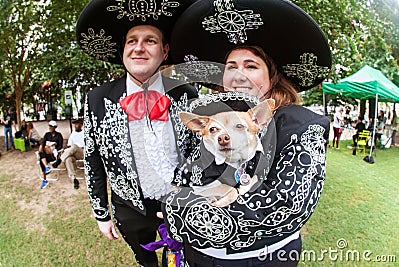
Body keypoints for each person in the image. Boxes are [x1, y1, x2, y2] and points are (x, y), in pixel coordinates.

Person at [163, 0, 332, 266]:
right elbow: (186, 174)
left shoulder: (301, 125)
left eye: (251, 66)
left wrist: (182, 215)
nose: (239, 75)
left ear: (272, 77)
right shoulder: (215, 118)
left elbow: (287, 208)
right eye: (231, 66)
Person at [76, 1, 198, 266]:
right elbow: (93, 160)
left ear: (165, 51)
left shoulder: (186, 93)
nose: (139, 47)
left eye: (150, 41)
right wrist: (101, 213)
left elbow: (197, 153)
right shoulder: (97, 99)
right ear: (123, 50)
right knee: (144, 258)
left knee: (180, 259)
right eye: (132, 41)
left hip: (179, 203)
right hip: (128, 208)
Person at [52, 118, 84, 189]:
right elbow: (69, 145)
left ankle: (59, 160)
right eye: (75, 124)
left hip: (82, 152)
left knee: (75, 146)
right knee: (68, 159)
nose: (75, 125)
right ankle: (74, 179)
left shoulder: (84, 133)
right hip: (73, 153)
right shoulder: (73, 134)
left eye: (77, 124)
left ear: (81, 125)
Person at [38, 120, 64, 189]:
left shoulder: (59, 135)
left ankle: (45, 178)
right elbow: (43, 143)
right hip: (46, 154)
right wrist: (41, 146)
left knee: (42, 156)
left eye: (51, 126)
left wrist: (53, 149)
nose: (50, 127)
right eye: (49, 126)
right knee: (42, 154)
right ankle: (46, 171)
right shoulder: (47, 134)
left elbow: (60, 146)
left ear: (55, 127)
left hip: (54, 154)